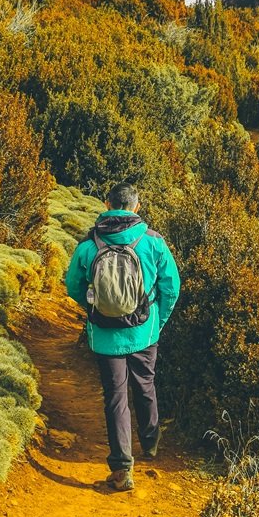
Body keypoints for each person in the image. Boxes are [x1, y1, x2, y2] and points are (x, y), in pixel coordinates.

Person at [65, 182, 180, 491]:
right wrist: (158, 320)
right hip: (145, 331)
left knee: (115, 397)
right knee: (145, 384)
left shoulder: (89, 245)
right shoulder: (153, 242)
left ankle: (121, 469)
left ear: (107, 203)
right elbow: (172, 287)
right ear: (136, 207)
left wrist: (96, 309)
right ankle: (150, 442)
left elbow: (73, 285)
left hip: (104, 335)